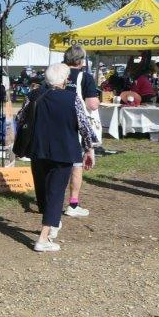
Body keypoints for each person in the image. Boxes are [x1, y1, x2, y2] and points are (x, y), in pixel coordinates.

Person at [17, 63, 95, 253]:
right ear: (65, 80)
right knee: (56, 193)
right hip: (64, 150)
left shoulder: (34, 95)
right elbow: (84, 126)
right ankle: (43, 238)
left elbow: (21, 117)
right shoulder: (72, 99)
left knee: (44, 192)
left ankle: (52, 223)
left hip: (38, 149)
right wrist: (89, 148)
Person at [62, 46, 100, 218]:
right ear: (81, 60)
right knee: (76, 164)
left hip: (53, 121)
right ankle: (73, 204)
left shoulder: (56, 72)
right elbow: (92, 105)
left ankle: (48, 200)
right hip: (76, 123)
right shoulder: (85, 77)